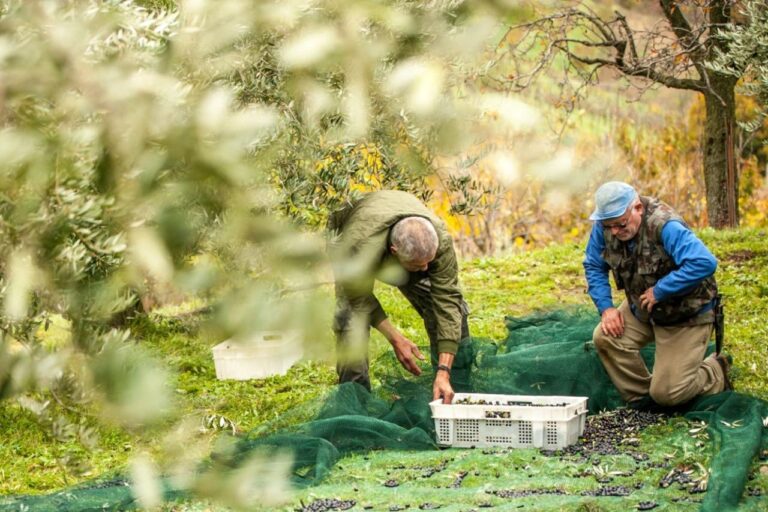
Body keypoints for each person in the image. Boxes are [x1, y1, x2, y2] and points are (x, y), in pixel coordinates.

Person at [583, 181, 730, 408]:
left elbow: (704, 262)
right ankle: (644, 400)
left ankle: (715, 370)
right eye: (608, 225)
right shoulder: (607, 226)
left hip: (685, 315)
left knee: (669, 394)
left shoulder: (664, 225)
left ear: (637, 209)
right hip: (643, 308)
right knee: (605, 337)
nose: (614, 232)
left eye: (620, 225)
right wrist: (607, 309)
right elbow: (594, 265)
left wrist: (662, 290)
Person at [327, 190, 470, 404]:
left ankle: (451, 387)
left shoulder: (440, 241)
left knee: (454, 311)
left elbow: (447, 300)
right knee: (351, 320)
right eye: (417, 265)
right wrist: (396, 339)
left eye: (428, 263)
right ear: (394, 251)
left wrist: (444, 369)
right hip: (355, 252)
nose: (425, 269)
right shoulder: (357, 247)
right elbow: (359, 298)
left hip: (400, 239)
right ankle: (355, 410)